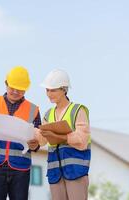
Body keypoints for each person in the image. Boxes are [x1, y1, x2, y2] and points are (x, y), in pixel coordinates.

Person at [0, 66, 41, 200]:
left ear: (26, 89)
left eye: (20, 89)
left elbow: (39, 140)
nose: (15, 92)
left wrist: (35, 145)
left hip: (20, 169)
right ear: (6, 84)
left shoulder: (33, 110)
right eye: (12, 88)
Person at [36, 69, 91, 200]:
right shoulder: (48, 114)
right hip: (55, 173)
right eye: (47, 90)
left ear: (64, 89)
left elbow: (82, 140)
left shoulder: (78, 110)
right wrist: (32, 135)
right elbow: (42, 141)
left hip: (76, 172)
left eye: (53, 90)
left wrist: (61, 137)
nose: (49, 94)